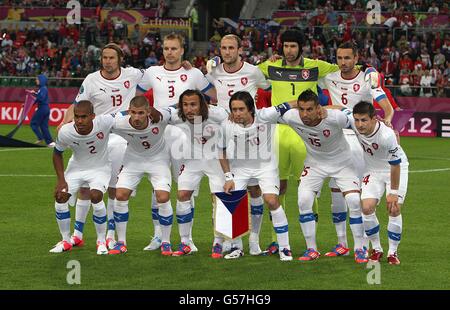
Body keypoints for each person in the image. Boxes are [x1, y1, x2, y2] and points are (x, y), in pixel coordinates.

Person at [257, 29, 339, 254]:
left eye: (293, 46)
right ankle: (276, 240)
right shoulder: (271, 67)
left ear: (301, 47)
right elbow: (240, 71)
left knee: (307, 188)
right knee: (277, 188)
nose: (289, 50)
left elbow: (346, 69)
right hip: (278, 135)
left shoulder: (315, 66)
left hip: (306, 135)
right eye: (285, 46)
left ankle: (309, 244)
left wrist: (369, 71)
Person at [59, 43, 145, 250]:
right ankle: (78, 234)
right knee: (85, 186)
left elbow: (160, 73)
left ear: (120, 59)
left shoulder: (133, 74)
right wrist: (65, 121)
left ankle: (111, 234)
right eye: (104, 58)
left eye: (111, 58)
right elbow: (77, 104)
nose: (107, 61)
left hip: (120, 136)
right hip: (95, 135)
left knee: (114, 188)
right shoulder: (91, 80)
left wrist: (186, 66)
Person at [138, 33, 217, 253]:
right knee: (158, 188)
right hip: (159, 137)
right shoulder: (152, 73)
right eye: (166, 48)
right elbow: (137, 96)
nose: (169, 52)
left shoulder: (193, 73)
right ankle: (158, 236)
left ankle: (187, 239)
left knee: (185, 188)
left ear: (182, 50)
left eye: (174, 48)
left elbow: (213, 95)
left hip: (185, 137)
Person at [319, 41, 393, 257]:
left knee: (359, 197)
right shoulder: (329, 76)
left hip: (362, 143)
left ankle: (363, 246)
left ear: (356, 57)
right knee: (336, 194)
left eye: (347, 58)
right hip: (337, 141)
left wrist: (387, 117)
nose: (343, 62)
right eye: (339, 58)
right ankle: (342, 244)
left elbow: (385, 104)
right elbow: (301, 69)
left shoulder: (368, 78)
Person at [279, 90, 368, 263]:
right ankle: (311, 249)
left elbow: (359, 123)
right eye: (302, 109)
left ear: (318, 108)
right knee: (303, 200)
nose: (305, 114)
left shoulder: (335, 118)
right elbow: (264, 115)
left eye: (309, 109)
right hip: (315, 165)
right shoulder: (291, 117)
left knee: (354, 202)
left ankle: (360, 248)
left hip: (343, 164)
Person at [205, 34, 271, 258]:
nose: (227, 52)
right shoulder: (213, 71)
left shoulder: (253, 71)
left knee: (254, 190)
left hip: (250, 136)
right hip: (226, 134)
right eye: (223, 48)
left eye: (231, 47)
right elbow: (202, 83)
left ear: (240, 49)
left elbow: (269, 84)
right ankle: (233, 242)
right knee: (230, 188)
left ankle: (254, 241)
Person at [216, 91, 294, 261]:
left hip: (265, 167)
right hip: (240, 168)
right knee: (231, 199)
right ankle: (237, 247)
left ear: (251, 109)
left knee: (272, 200)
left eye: (241, 109)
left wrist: (319, 108)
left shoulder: (265, 115)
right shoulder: (226, 125)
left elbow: (292, 103)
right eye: (234, 109)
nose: (237, 113)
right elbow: (221, 150)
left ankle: (285, 248)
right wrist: (228, 177)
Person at [108, 96, 173, 255]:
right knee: (120, 195)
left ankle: (166, 242)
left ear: (148, 111)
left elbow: (178, 110)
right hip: (133, 160)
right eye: (134, 113)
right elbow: (97, 123)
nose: (137, 117)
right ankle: (121, 242)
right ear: (129, 111)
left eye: (141, 113)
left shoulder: (161, 118)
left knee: (163, 197)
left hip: (158, 160)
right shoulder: (119, 122)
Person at [167, 89, 229, 256]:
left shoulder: (218, 114)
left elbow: (235, 121)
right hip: (192, 161)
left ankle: (218, 242)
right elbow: (160, 113)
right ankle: (185, 242)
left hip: (215, 161)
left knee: (219, 200)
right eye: (185, 105)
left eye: (193, 104)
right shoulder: (177, 115)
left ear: (202, 104)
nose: (189, 109)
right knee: (182, 195)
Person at [50, 100, 114, 255]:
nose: (79, 120)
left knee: (96, 195)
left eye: (84, 117)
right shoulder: (66, 131)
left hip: (99, 168)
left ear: (92, 116)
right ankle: (66, 240)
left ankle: (100, 241)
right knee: (60, 197)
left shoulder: (104, 121)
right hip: (76, 168)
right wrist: (61, 180)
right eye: (77, 116)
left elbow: (125, 115)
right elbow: (57, 153)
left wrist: (150, 111)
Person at [349, 101, 408, 265]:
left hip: (395, 169)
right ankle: (376, 249)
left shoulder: (386, 135)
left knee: (393, 209)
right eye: (357, 120)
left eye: (364, 120)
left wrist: (393, 193)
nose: (359, 125)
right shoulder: (354, 123)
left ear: (374, 119)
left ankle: (392, 252)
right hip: (372, 170)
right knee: (366, 207)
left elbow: (395, 164)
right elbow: (340, 110)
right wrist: (322, 110)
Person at [30, 74, 55, 147]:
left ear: (41, 80)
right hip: (46, 108)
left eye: (37, 79)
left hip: (42, 108)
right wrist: (35, 94)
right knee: (44, 126)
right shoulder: (42, 89)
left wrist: (34, 94)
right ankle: (50, 142)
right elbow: (39, 98)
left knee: (33, 124)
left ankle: (40, 138)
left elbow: (40, 98)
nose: (36, 80)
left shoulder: (43, 89)